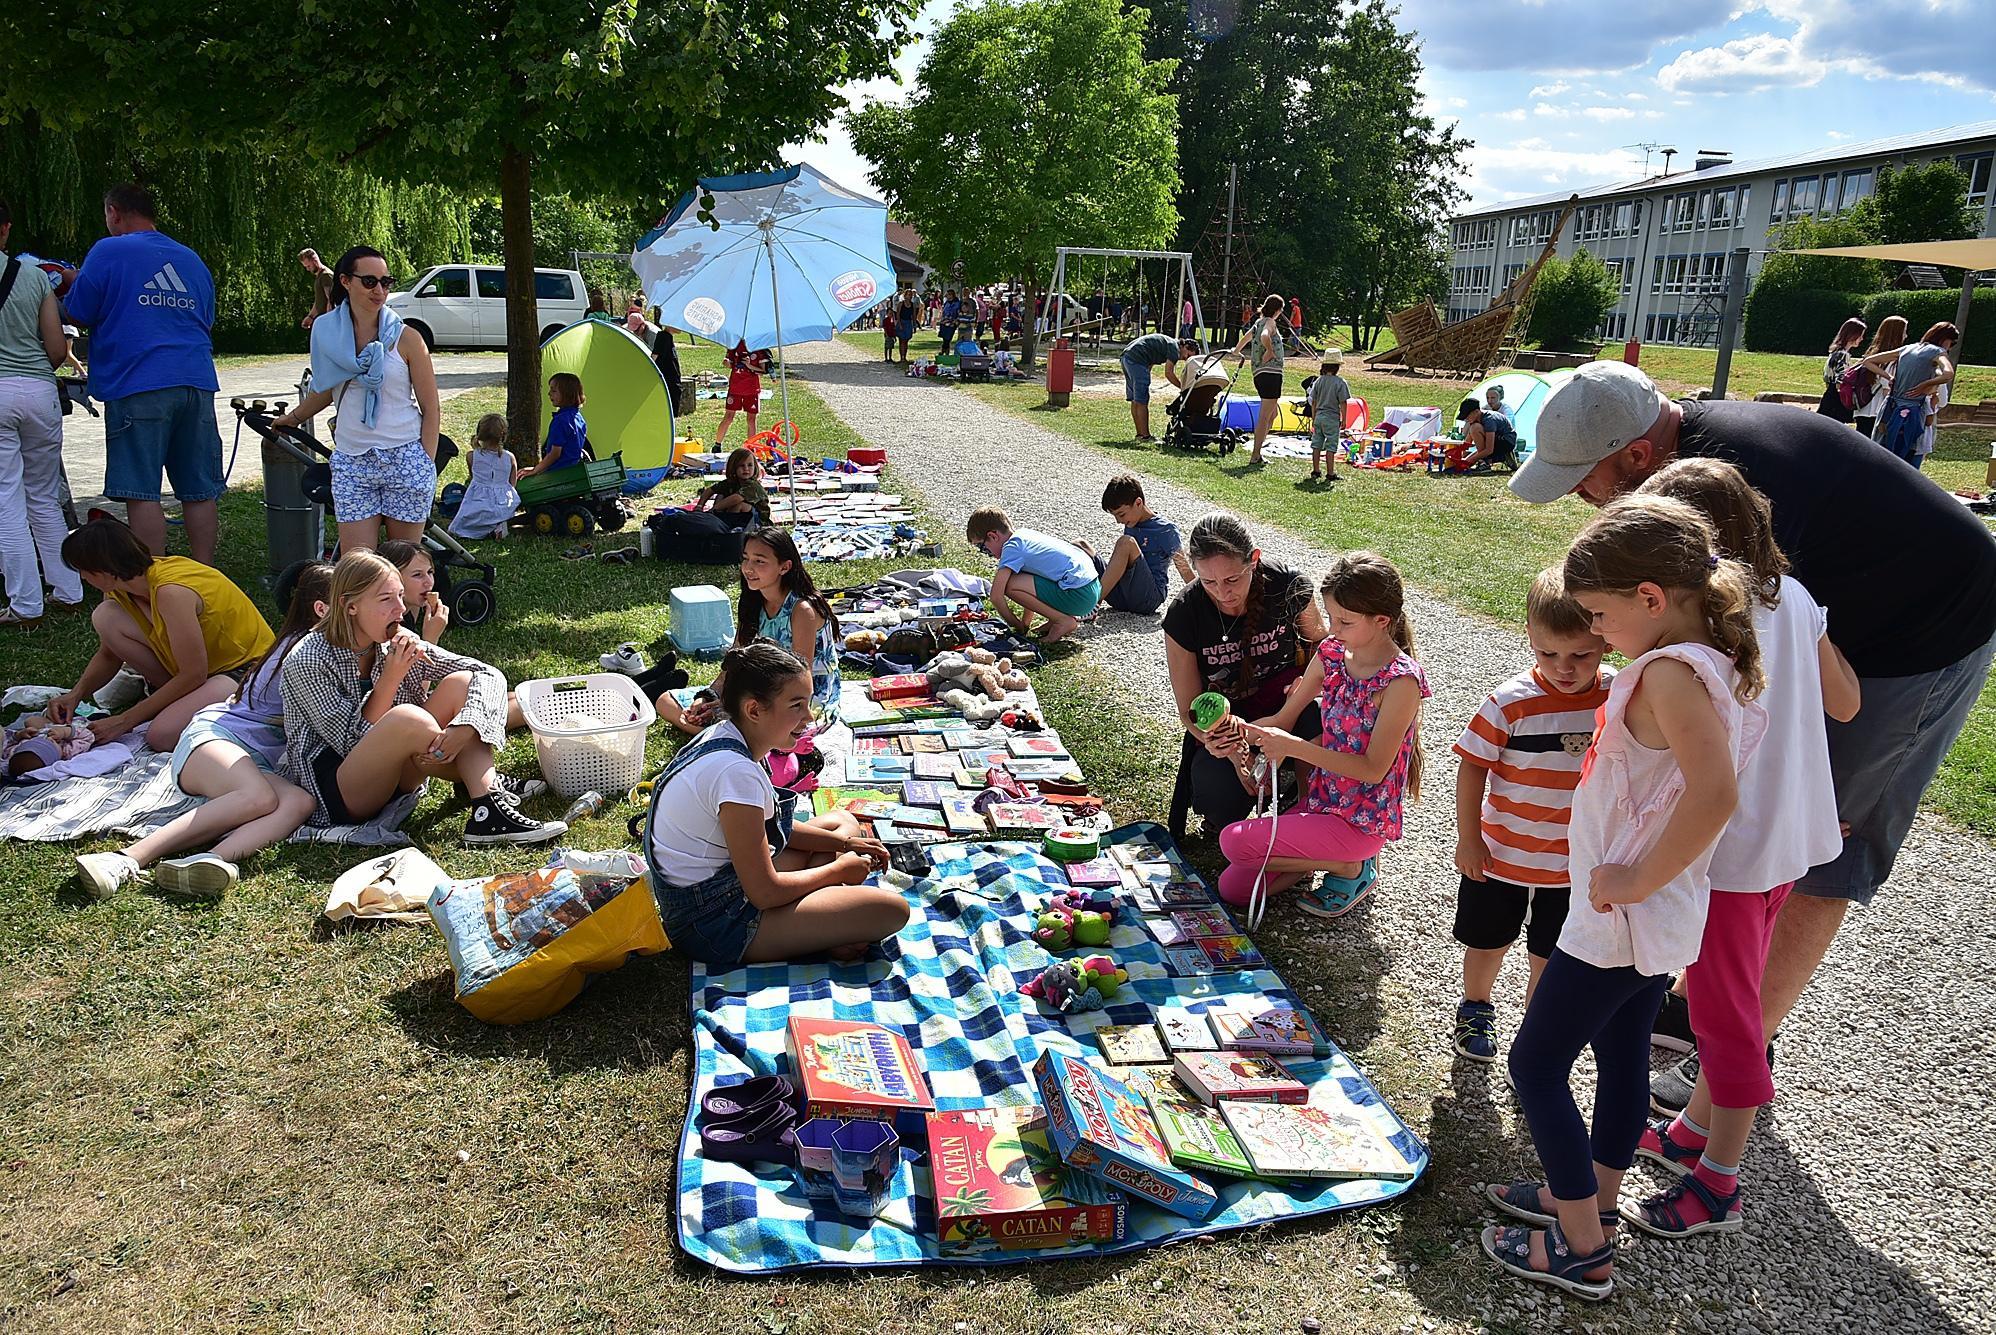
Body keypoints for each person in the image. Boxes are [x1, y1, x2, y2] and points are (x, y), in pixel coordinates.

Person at [1508, 360, 1996, 1110]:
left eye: (1586, 477)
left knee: (1824, 845)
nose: (1581, 495)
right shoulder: (1690, 484)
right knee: (1765, 832)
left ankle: (1732, 1055)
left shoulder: (1731, 492)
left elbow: (1763, 688)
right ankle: (1715, 1002)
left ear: (1640, 457)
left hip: (1928, 627)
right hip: (1845, 638)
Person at [1484, 494, 1764, 1303]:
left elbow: (1715, 795)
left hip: (1622, 916)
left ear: (1651, 598)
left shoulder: (1670, 674)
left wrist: (1633, 879)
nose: (1597, 635)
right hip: (1655, 915)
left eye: (1601, 617)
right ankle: (1594, 1198)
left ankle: (1581, 1247)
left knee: (1534, 1064)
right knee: (1620, 1057)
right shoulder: (1701, 655)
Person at [1624, 459, 1858, 1240]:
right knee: (1732, 997)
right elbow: (1846, 702)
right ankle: (1692, 1130)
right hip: (1792, 841)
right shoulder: (1791, 598)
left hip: (1735, 852)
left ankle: (1720, 1181)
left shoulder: (1706, 620)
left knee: (1724, 1021)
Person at [71, 563, 335, 902]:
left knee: (299, 801)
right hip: (214, 738)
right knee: (259, 798)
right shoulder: (305, 653)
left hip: (256, 758)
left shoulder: (344, 651)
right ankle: (124, 859)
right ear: (324, 609)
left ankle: (206, 862)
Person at [643, 642, 910, 967]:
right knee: (892, 910)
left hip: (726, 886)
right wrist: (837, 869)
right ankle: (824, 923)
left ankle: (822, 921)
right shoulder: (736, 773)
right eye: (796, 706)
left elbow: (768, 829)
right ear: (754, 710)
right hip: (714, 926)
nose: (808, 717)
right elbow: (765, 893)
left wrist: (845, 843)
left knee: (842, 822)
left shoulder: (725, 736)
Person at [279, 550, 559, 844]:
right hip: (339, 791)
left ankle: (487, 807)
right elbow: (349, 745)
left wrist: (466, 726)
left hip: (399, 769)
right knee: (409, 718)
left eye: (400, 596)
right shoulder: (307, 659)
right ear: (349, 606)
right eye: (386, 599)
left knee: (462, 684)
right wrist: (391, 678)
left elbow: (486, 673)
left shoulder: (391, 641)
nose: (399, 610)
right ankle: (477, 778)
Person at [1449, 568, 1612, 1063]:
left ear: (1605, 639)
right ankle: (1476, 1005)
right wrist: (1469, 838)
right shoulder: (1509, 703)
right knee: (1486, 938)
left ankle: (1535, 1027)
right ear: (1530, 638)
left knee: (1552, 950)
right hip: (1502, 854)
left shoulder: (1618, 697)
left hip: (1572, 866)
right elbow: (1472, 768)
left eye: (1581, 654)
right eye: (1548, 654)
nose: (1564, 668)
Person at [1216, 552, 1429, 919]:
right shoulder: (1332, 653)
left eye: (1344, 621)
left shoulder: (1401, 681)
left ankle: (1350, 865)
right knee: (1233, 887)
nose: (1332, 630)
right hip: (1323, 803)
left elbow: (1372, 769)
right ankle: (1329, 858)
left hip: (1361, 820)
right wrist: (1241, 732)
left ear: (1381, 621)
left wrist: (1295, 748)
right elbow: (1283, 719)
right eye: (1331, 617)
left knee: (1233, 843)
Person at [57, 184, 224, 564]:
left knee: (142, 491)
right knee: (198, 490)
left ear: (114, 212)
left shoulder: (109, 249)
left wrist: (72, 282)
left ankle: (156, 581)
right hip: (195, 380)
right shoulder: (190, 259)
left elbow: (78, 312)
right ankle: (206, 576)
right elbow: (205, 320)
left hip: (138, 382)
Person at [47, 519, 274, 751]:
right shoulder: (120, 589)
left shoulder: (171, 591)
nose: (83, 577)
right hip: (204, 673)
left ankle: (237, 719)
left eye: (84, 570)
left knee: (162, 735)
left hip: (248, 671)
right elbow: (109, 654)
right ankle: (182, 702)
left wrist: (125, 720)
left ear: (103, 569)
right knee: (105, 616)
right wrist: (75, 694)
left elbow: (193, 674)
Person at [1163, 514, 1327, 833]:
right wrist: (1229, 750)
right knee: (1219, 803)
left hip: (1290, 710)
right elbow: (1189, 709)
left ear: (1254, 559)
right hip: (1226, 723)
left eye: (1232, 579)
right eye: (1209, 582)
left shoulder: (1288, 586)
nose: (1223, 593)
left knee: (1321, 715)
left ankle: (1308, 811)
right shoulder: (1185, 613)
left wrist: (1295, 702)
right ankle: (1246, 803)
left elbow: (1323, 651)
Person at [271, 246, 440, 553]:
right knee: (360, 569)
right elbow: (325, 388)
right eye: (370, 281)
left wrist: (425, 462)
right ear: (346, 281)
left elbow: (431, 408)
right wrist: (293, 418)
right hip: (352, 461)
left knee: (403, 565)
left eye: (385, 282)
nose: (379, 290)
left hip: (404, 457)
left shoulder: (407, 338)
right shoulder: (325, 331)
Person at [658, 526, 840, 733]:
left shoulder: (802, 610)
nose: (748, 568)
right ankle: (721, 735)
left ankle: (725, 735)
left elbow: (800, 682)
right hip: (759, 691)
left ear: (785, 567)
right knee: (666, 701)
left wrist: (736, 706)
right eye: (746, 558)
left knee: (767, 724)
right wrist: (709, 696)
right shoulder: (753, 602)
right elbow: (735, 661)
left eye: (759, 561)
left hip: (801, 700)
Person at [0, 196, 84, 628]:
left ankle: (25, 604)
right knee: (44, 496)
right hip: (38, 390)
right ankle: (69, 590)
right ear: (6, 229)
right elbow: (56, 348)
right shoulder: (34, 277)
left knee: (5, 501)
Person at [377, 538, 526, 730]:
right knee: (519, 706)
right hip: (405, 721)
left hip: (410, 710)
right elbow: (417, 694)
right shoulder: (390, 626)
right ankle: (542, 709)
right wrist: (431, 638)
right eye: (417, 575)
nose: (429, 582)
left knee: (512, 696)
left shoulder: (407, 616)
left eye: (430, 572)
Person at [966, 507, 1100, 643]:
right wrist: (1025, 624)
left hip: (1079, 595)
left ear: (993, 536)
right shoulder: (1024, 535)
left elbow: (996, 596)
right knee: (1019, 580)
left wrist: (1015, 624)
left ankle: (1062, 621)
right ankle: (1056, 619)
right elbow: (1032, 586)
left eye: (982, 548)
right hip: (1092, 588)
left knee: (1010, 584)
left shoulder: (1012, 548)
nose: (986, 553)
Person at [1081, 474, 1192, 617]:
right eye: (1115, 516)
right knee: (1080, 545)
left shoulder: (1166, 529)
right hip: (1121, 597)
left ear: (1138, 503)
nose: (1118, 521)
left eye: (1121, 514)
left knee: (1126, 543)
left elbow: (1183, 566)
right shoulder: (1132, 521)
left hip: (1147, 599)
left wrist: (1206, 596)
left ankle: (1093, 604)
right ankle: (1069, 598)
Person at [1859, 320, 1957, 464]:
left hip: (1890, 408)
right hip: (1914, 411)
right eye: (1952, 343)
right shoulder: (1938, 352)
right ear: (1945, 340)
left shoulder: (1907, 349)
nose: (1950, 347)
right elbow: (1948, 374)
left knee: (1885, 453)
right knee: (1910, 455)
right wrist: (1927, 384)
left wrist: (1889, 377)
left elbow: (1868, 361)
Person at [1234, 295, 1288, 465]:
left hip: (1260, 374)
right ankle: (1256, 454)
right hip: (1271, 373)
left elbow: (1246, 338)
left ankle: (1258, 450)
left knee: (1273, 414)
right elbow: (1265, 336)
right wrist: (1270, 350)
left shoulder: (1258, 322)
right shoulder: (1270, 323)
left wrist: (1236, 351)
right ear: (1277, 310)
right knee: (1265, 417)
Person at [449, 412, 520, 539]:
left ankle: (482, 529)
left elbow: (473, 477)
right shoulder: (509, 457)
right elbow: (512, 483)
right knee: (498, 510)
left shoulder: (472, 456)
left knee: (464, 521)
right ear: (503, 435)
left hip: (479, 498)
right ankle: (498, 524)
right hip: (503, 500)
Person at [1121, 333, 1199, 443]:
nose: (1185, 359)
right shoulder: (1174, 349)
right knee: (1142, 401)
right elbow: (1169, 373)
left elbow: (1151, 359)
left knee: (1135, 400)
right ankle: (1146, 436)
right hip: (1137, 360)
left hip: (1127, 358)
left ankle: (1140, 435)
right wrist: (1184, 388)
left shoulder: (1169, 343)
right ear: (1185, 346)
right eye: (1188, 355)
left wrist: (1145, 374)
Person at [520, 372, 589, 479]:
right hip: (573, 470)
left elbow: (555, 454)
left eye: (554, 390)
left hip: (558, 473)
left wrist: (535, 470)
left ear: (567, 394)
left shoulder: (560, 421)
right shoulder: (578, 417)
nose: (549, 394)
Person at [1848, 314, 1904, 440]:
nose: (1906, 336)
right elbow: (1886, 387)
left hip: (1863, 407)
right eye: (1904, 332)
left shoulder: (1873, 353)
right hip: (1876, 411)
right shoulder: (1890, 358)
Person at [693, 446, 771, 526]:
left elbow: (736, 498)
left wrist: (713, 510)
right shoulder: (732, 482)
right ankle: (720, 520)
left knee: (738, 505)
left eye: (750, 465)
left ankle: (727, 525)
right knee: (720, 495)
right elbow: (710, 490)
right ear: (733, 467)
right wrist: (699, 506)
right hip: (741, 517)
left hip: (759, 522)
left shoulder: (753, 485)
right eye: (741, 465)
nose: (746, 469)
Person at [714, 342, 770, 450]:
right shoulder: (734, 344)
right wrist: (727, 363)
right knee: (728, 417)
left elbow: (763, 371)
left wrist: (749, 365)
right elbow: (730, 363)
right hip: (735, 388)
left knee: (751, 419)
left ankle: (751, 447)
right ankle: (717, 444)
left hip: (752, 389)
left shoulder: (759, 347)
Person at [1306, 353, 1350, 485]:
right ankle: (1330, 473)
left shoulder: (1318, 381)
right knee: (1331, 445)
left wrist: (1314, 417)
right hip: (1332, 417)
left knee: (1316, 444)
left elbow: (1313, 401)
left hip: (1319, 416)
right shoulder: (1340, 382)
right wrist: (1344, 419)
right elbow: (1343, 402)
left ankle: (1316, 470)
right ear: (1337, 367)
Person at [1815, 316, 1866, 423]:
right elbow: (1840, 381)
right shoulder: (1843, 355)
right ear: (1853, 335)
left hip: (1829, 395)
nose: (1862, 339)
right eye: (1860, 335)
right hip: (1837, 399)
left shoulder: (1835, 353)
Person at [1457, 396, 1518, 472]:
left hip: (1506, 442)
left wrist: (1468, 461)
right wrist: (1460, 457)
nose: (1466, 419)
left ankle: (1486, 462)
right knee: (1474, 427)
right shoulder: (1475, 419)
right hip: (1496, 441)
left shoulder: (1489, 420)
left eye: (1467, 416)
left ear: (1476, 411)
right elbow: (1467, 443)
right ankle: (1485, 461)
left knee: (1475, 428)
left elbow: (1489, 450)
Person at [300, 249, 334, 329]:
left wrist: (329, 322)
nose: (308, 269)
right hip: (323, 321)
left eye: (308, 266)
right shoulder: (319, 277)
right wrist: (310, 317)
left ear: (314, 261)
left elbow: (331, 299)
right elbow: (319, 301)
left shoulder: (326, 276)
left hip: (328, 322)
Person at [896, 289, 918, 364]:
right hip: (902, 322)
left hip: (908, 323)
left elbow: (914, 315)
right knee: (901, 341)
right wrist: (899, 324)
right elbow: (898, 314)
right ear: (905, 296)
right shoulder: (901, 304)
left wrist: (914, 325)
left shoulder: (913, 305)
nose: (909, 296)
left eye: (910, 295)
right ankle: (901, 357)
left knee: (906, 341)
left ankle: (904, 357)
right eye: (908, 294)